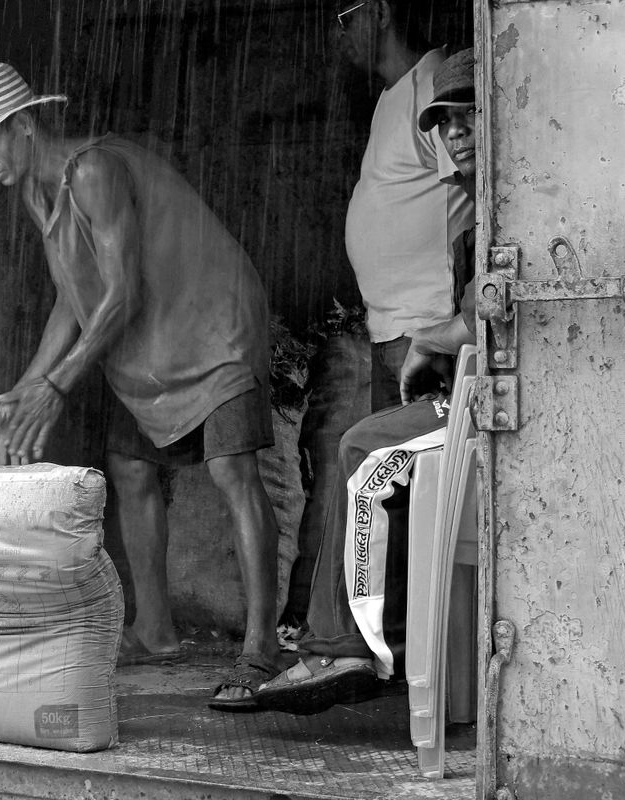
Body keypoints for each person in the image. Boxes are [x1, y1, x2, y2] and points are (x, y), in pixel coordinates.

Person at [0, 62, 286, 706]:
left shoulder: (93, 172)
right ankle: (154, 631)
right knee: (129, 466)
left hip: (212, 321)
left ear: (24, 126)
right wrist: (28, 388)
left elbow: (120, 296)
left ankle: (260, 648)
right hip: (152, 340)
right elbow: (73, 300)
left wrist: (59, 388)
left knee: (233, 469)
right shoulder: (39, 194)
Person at [247, 48, 478, 714]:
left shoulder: (516, 200)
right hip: (463, 394)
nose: (456, 132)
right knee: (363, 447)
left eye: (470, 116)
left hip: (499, 402)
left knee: (365, 452)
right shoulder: (479, 213)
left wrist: (433, 340)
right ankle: (345, 643)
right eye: (446, 122)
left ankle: (345, 647)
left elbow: (484, 312)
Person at [337, 0, 474, 411]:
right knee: (394, 465)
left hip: (427, 325)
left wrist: (448, 326)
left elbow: (481, 193)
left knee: (417, 466)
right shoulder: (393, 93)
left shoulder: (431, 85)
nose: (337, 35)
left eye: (345, 20)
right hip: (394, 329)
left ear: (380, 12)